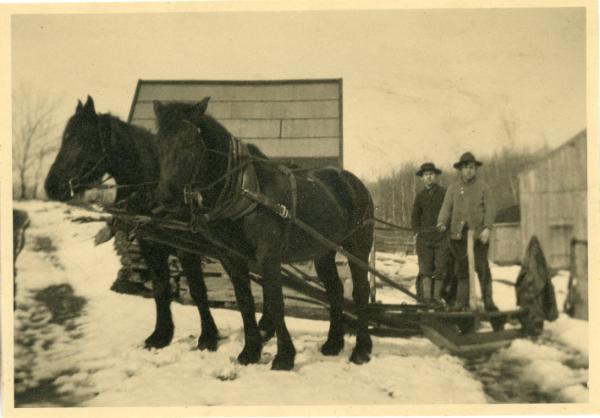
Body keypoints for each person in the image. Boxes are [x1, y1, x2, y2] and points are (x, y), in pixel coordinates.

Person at [436, 152, 498, 311]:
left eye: (471, 167)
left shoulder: (484, 187)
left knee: (482, 268)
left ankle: (489, 302)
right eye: (465, 168)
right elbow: (446, 208)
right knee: (461, 270)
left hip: (478, 237)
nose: (469, 171)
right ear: (461, 170)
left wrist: (487, 229)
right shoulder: (453, 188)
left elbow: (490, 210)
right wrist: (442, 222)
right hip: (458, 237)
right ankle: (461, 303)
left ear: (475, 169)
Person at [411, 162, 448, 306]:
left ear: (436, 176)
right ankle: (427, 298)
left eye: (431, 174)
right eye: (426, 175)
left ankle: (437, 298)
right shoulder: (419, 196)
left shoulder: (444, 193)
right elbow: (415, 216)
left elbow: (449, 211)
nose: (429, 177)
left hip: (441, 238)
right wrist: (416, 231)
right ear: (422, 178)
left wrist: (446, 224)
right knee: (425, 268)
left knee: (440, 267)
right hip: (424, 239)